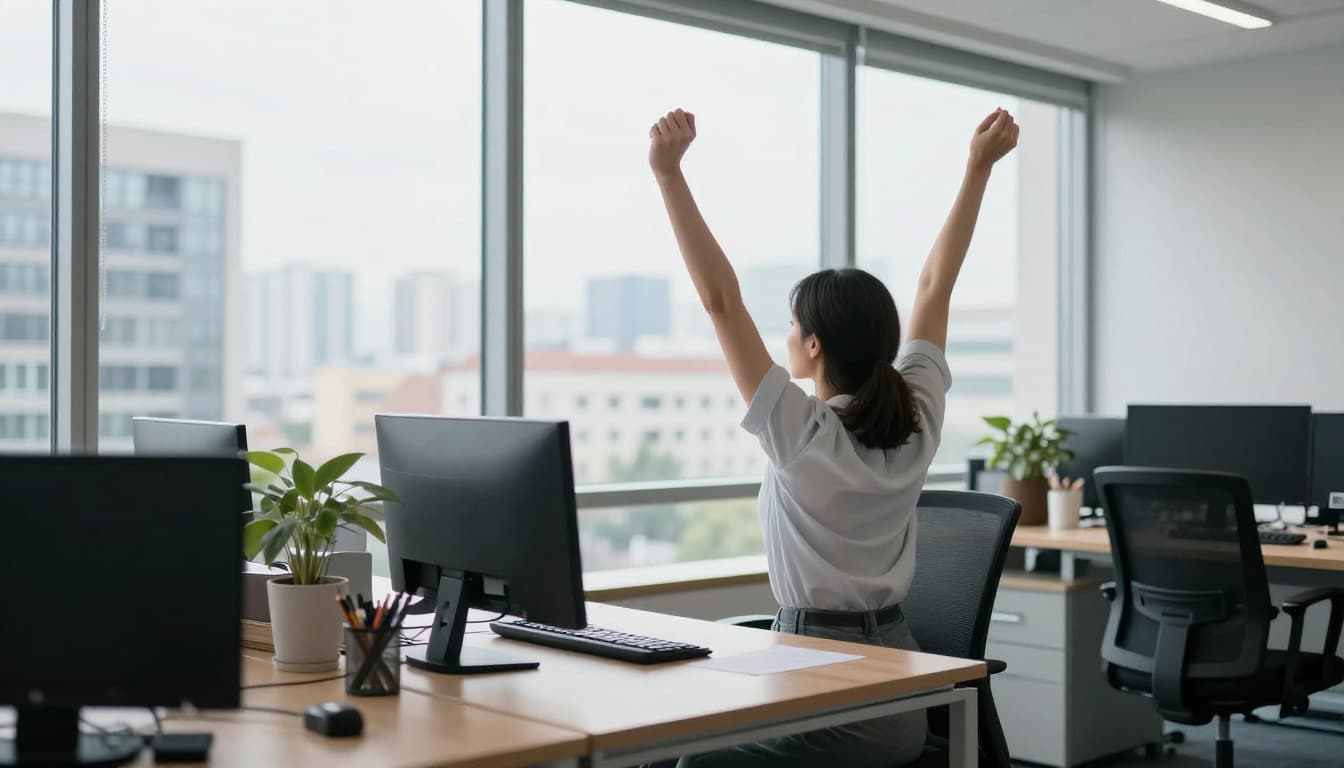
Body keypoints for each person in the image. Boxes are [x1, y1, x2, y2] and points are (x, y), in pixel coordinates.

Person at [645, 106, 1019, 767]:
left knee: (685, 754)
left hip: (824, 681)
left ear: (813, 346)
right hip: (900, 692)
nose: (785, 337)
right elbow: (936, 285)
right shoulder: (918, 418)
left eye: (792, 326)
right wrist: (977, 168)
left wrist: (668, 175)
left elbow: (720, 301)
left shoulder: (804, 433)